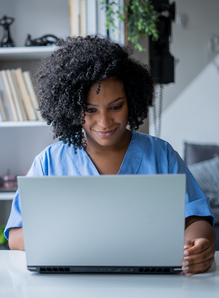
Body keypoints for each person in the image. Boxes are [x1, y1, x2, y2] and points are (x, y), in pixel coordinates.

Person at [4, 35, 215, 275]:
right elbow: (16, 235)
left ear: (132, 101)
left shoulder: (161, 154)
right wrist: (74, 238)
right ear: (71, 109)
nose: (104, 122)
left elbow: (197, 219)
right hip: (71, 287)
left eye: (116, 107)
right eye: (90, 110)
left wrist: (197, 245)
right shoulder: (48, 162)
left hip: (152, 284)